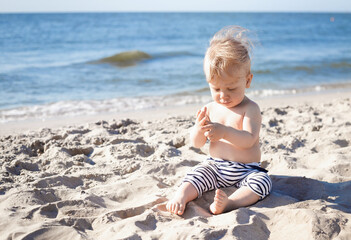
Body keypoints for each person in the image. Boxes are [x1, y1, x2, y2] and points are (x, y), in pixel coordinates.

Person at [166, 26, 272, 215]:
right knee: (196, 174)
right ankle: (181, 196)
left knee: (262, 183)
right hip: (216, 166)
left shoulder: (250, 108)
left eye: (231, 89)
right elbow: (197, 144)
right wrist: (199, 129)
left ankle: (231, 203)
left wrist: (223, 132)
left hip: (247, 169)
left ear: (247, 81)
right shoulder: (210, 108)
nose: (223, 95)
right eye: (216, 89)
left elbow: (249, 140)